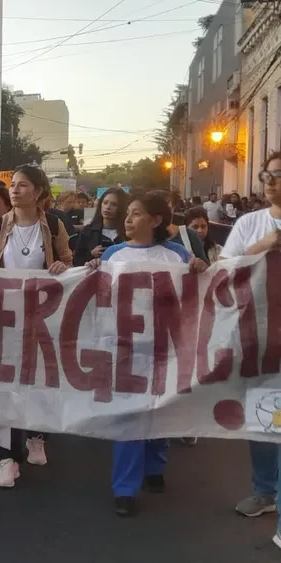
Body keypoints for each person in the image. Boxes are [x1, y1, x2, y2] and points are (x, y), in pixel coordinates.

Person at [86, 192, 207, 517]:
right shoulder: (113, 254)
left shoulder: (177, 255)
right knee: (129, 418)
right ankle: (124, 489)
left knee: (159, 411)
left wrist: (201, 267)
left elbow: (198, 288)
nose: (128, 218)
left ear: (155, 221)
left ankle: (154, 467)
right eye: (128, 213)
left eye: (136, 213)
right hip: (125, 348)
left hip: (165, 348)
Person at [0, 164, 73, 488]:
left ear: (38, 191)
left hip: (43, 317)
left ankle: (36, 435)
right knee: (6, 384)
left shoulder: (55, 225)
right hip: (6, 318)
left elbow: (68, 262)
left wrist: (61, 266)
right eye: (13, 185)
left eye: (22, 185)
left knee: (38, 380)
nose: (15, 190)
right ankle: (7, 458)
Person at [223, 151, 281, 549]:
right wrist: (266, 244)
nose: (271, 181)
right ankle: (265, 491)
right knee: (265, 419)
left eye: (279, 175)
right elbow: (225, 271)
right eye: (267, 175)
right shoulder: (250, 223)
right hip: (260, 337)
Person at [71, 187, 128, 267]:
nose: (108, 207)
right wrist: (91, 254)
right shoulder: (88, 231)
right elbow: (76, 261)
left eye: (114, 204)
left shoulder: (128, 232)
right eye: (105, 203)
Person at [149, 190, 209, 265]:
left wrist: (199, 264)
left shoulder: (189, 235)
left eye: (168, 209)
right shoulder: (140, 238)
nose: (163, 214)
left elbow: (205, 268)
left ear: (173, 209)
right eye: (157, 210)